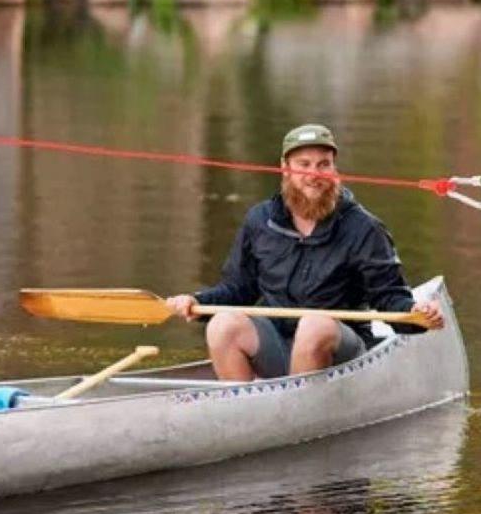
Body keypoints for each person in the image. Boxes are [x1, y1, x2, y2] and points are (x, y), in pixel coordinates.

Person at [166, 124, 443, 381]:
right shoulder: (260, 221)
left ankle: (295, 409)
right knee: (221, 324)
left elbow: (389, 296)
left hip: (338, 351)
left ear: (334, 169)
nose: (315, 174)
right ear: (285, 169)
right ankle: (244, 410)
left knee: (314, 324)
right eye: (304, 165)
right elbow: (239, 288)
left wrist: (416, 314)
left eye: (324, 164)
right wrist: (196, 301)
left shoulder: (364, 228)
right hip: (275, 341)